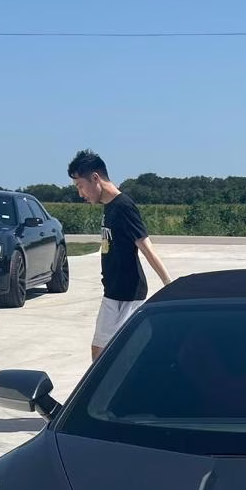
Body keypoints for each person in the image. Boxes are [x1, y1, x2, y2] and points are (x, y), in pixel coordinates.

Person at [67, 149, 174, 360]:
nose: (80, 194)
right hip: (113, 293)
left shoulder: (124, 206)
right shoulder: (109, 207)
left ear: (95, 178)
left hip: (128, 295)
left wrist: (169, 284)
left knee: (124, 355)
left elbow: (146, 246)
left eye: (81, 186)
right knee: (99, 352)